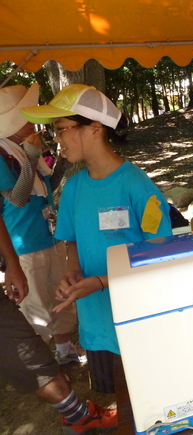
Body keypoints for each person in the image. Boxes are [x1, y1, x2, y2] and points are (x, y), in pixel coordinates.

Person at [21, 84, 173, 394]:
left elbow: (160, 251)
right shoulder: (75, 188)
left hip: (137, 321)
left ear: (95, 128)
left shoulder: (137, 185)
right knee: (115, 398)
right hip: (95, 325)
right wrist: (73, 273)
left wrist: (102, 281)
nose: (57, 140)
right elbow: (72, 241)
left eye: (62, 129)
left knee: (150, 400)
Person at [0, 211, 117, 434]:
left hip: (43, 242)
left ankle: (78, 417)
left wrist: (11, 262)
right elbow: (17, 197)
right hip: (28, 248)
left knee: (31, 351)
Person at [0, 83, 82, 365]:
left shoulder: (22, 149)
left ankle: (64, 350)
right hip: (25, 241)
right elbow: (18, 199)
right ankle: (39, 367)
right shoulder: (4, 154)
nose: (34, 121)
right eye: (27, 116)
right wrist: (33, 157)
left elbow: (46, 188)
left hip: (50, 235)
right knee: (36, 307)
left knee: (60, 296)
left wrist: (59, 165)